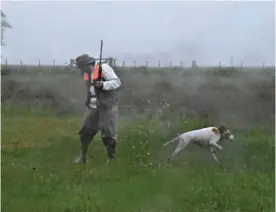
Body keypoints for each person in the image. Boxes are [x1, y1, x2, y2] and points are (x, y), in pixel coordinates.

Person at [74, 54, 121, 164]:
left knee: (108, 134)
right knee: (85, 132)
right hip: (92, 106)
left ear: (87, 65)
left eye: (81, 67)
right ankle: (82, 157)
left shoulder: (103, 68)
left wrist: (103, 84)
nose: (80, 69)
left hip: (107, 106)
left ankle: (111, 159)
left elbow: (117, 82)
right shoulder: (86, 73)